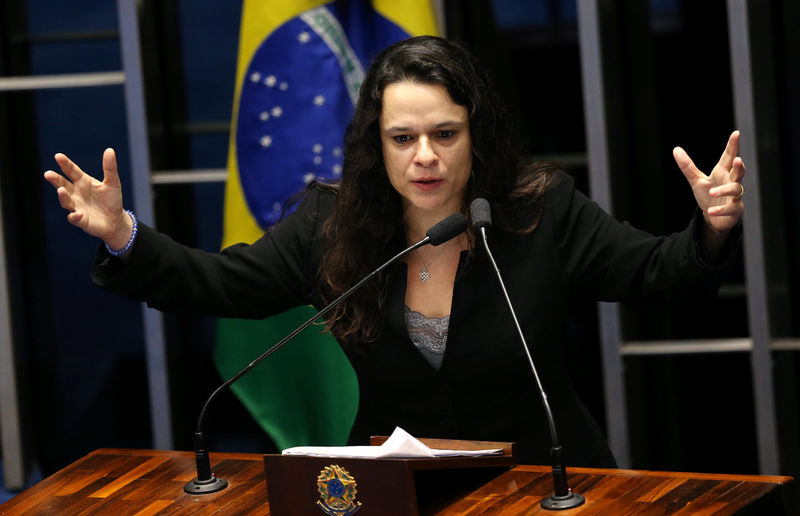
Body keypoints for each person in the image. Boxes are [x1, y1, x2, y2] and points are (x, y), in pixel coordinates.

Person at [43, 36, 744, 468]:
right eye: (403, 138)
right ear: (376, 146)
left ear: (477, 135)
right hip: (397, 491)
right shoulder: (332, 223)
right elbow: (222, 284)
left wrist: (710, 228)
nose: (426, 157)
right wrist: (122, 234)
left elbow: (658, 274)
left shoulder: (540, 211)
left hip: (544, 482)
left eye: (446, 133)